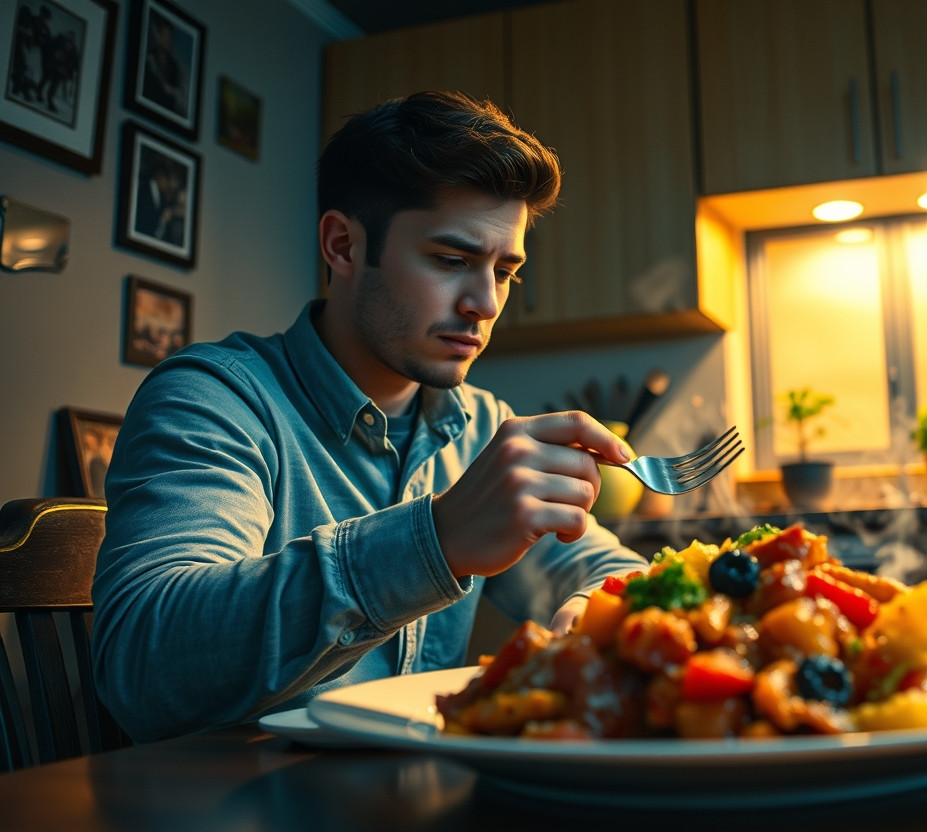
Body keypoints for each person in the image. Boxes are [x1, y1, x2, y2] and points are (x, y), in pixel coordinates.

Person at [92, 91, 649, 742]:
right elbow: (143, 667)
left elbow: (612, 571)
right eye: (452, 260)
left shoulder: (478, 427)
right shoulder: (214, 400)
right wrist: (435, 541)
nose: (487, 303)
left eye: (505, 271)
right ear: (343, 246)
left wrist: (596, 608)